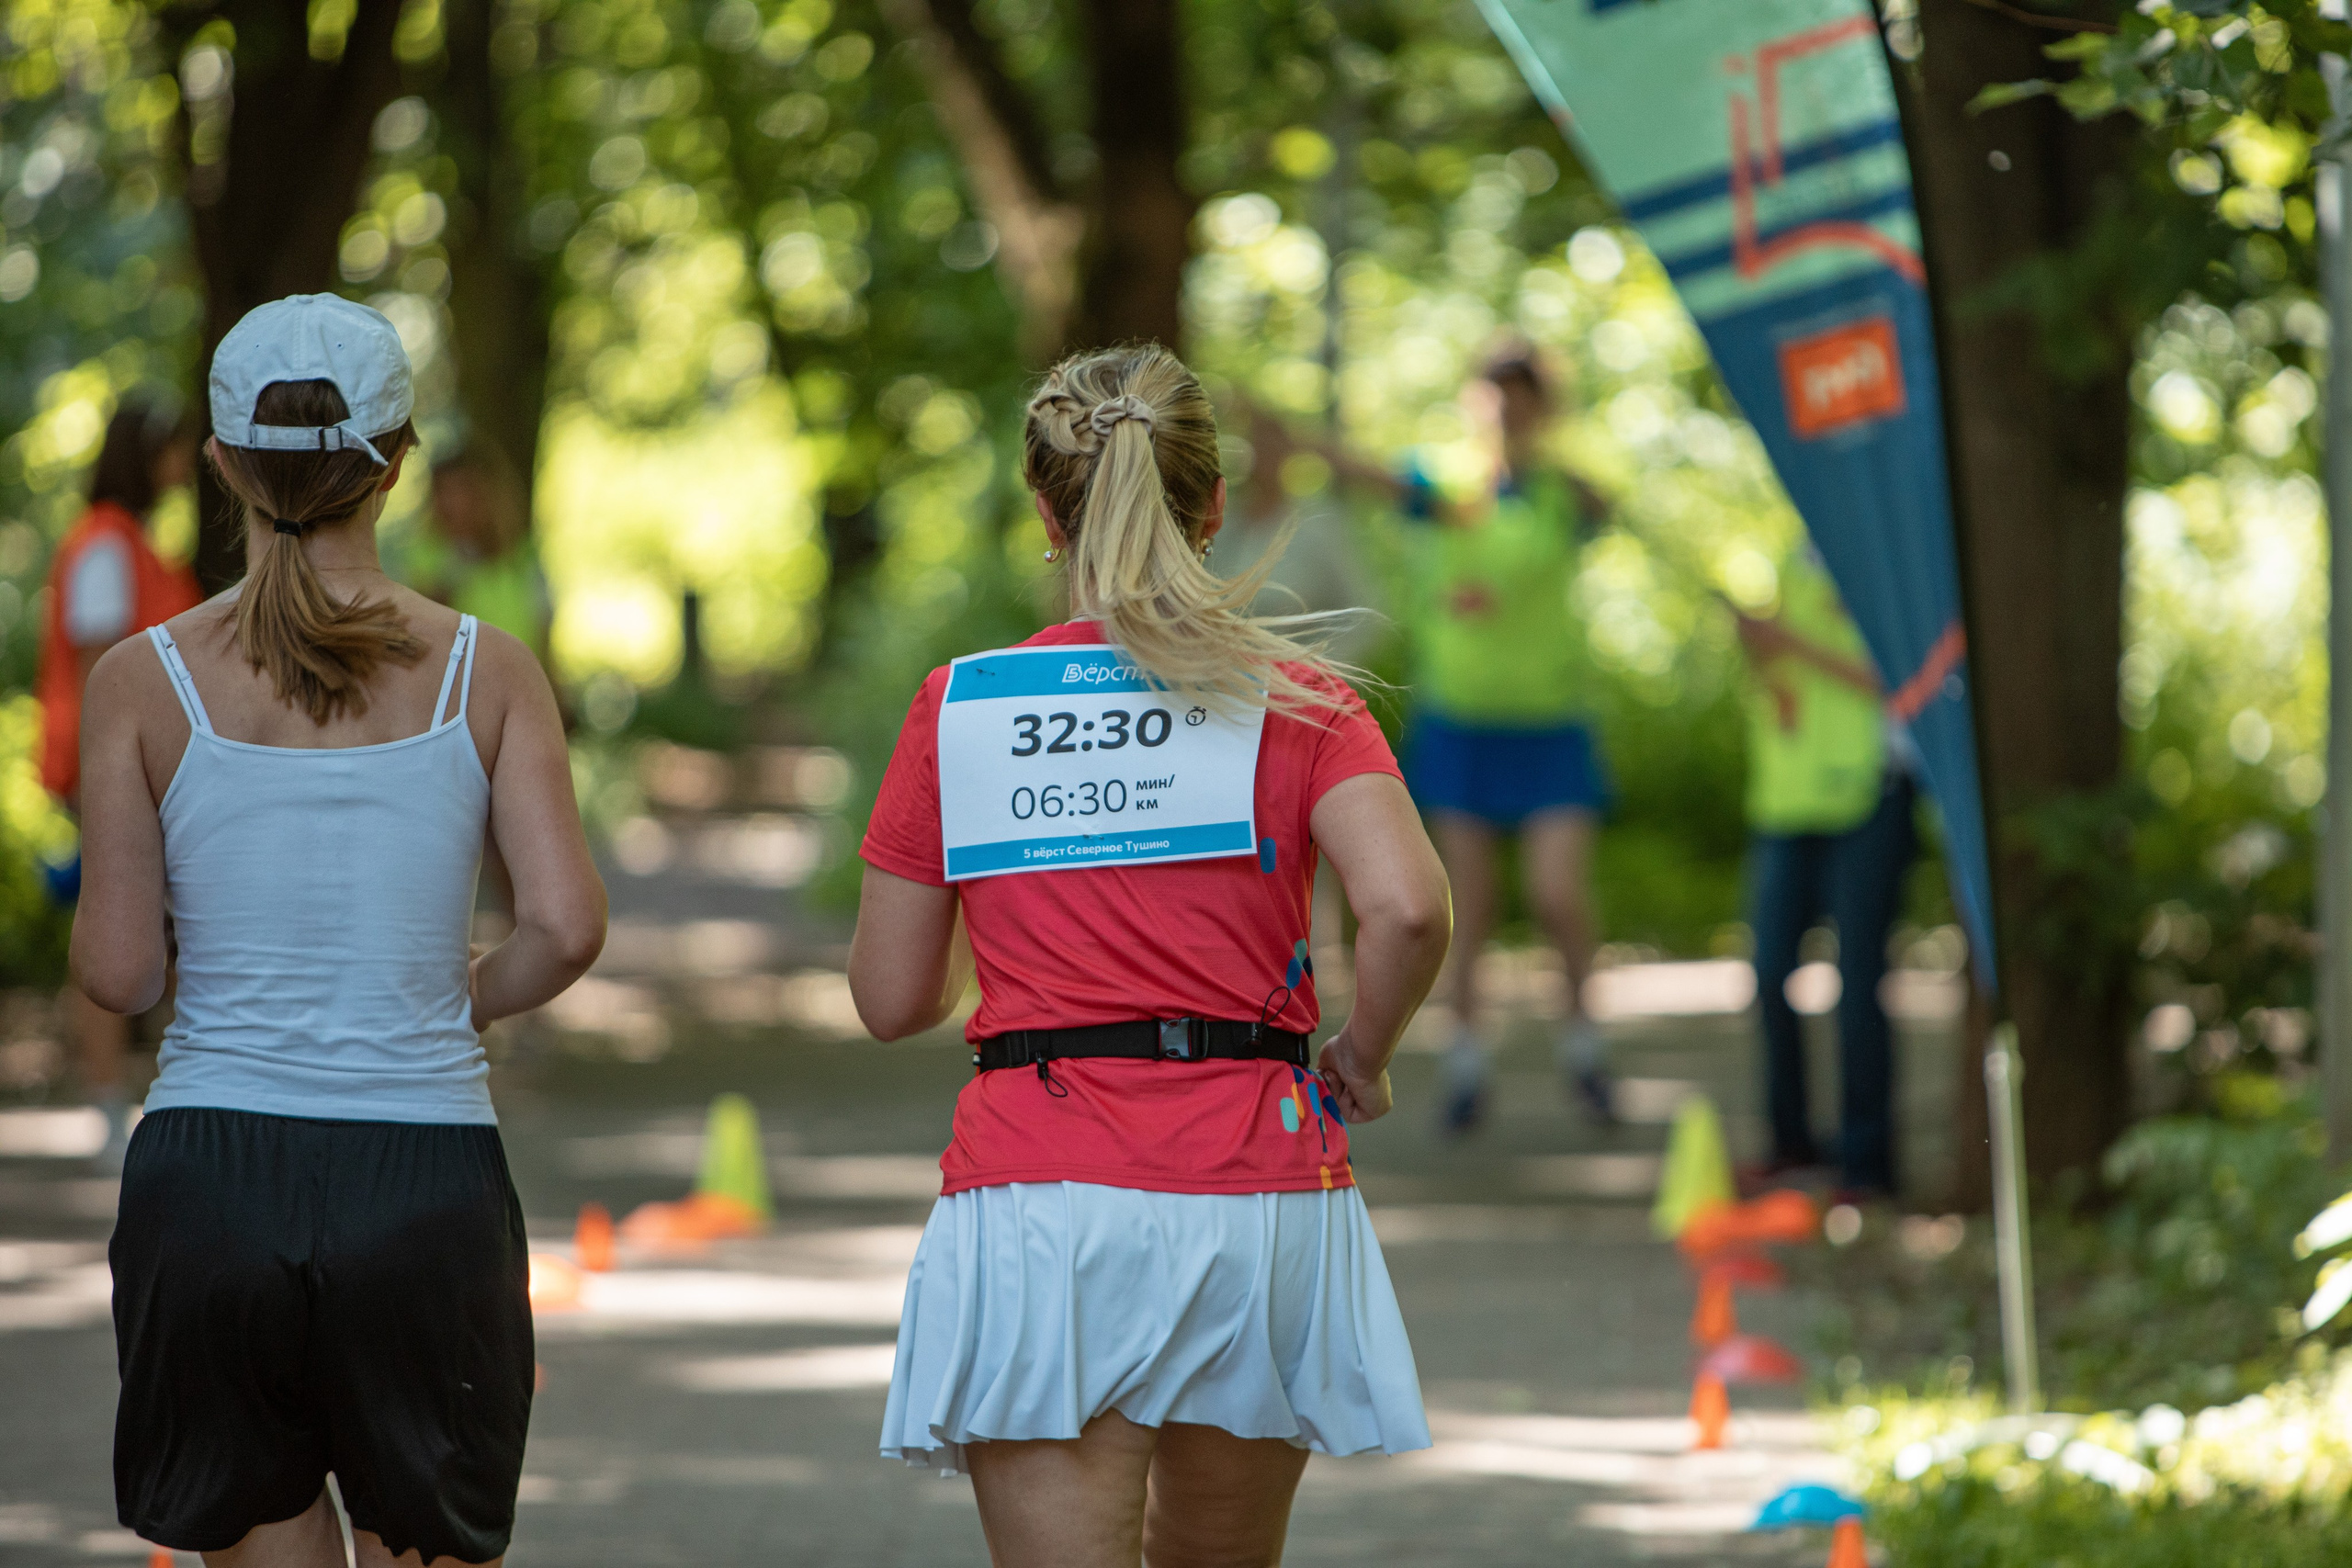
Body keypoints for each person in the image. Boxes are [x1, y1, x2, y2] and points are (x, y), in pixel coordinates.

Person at [852, 343, 1450, 1568]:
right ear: (1216, 502)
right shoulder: (1295, 697)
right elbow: (1408, 907)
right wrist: (1363, 1052)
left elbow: (890, 995)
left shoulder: (962, 704)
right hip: (1259, 1181)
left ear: (1043, 509)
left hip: (1039, 1194)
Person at [71, 294, 605, 1567]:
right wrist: (461, 991)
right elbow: (569, 927)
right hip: (424, 1181)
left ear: (217, 464)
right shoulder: (489, 668)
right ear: (401, 456)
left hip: (210, 1178)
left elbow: (120, 965)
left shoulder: (142, 678)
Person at [1312, 344, 1614, 1132]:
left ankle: (1584, 1048)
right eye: (1495, 397)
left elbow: (1605, 506)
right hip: (1462, 724)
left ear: (1542, 409)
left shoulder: (1559, 495)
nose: (1507, 412)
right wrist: (1291, 438)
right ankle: (1466, 1065)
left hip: (1551, 723)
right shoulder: (1437, 484)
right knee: (1465, 906)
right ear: (1473, 402)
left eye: (1523, 399)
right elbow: (1371, 477)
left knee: (1557, 895)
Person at [35, 397, 200, 1168]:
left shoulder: (137, 546)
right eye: (172, 449)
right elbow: (99, 664)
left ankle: (141, 1095)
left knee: (151, 923)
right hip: (112, 765)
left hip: (142, 763)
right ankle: (105, 1103)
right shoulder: (106, 544)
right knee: (111, 921)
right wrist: (115, 773)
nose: (184, 464)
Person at [1732, 545, 1915, 1201]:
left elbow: (1904, 673)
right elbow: (1785, 670)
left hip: (1872, 790)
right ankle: (1792, 1144)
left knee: (1859, 979)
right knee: (1769, 969)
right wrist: (1760, 643)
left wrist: (1791, 642)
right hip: (1791, 796)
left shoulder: (1885, 548)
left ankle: (1867, 1163)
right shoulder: (1793, 553)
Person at [412, 441, 549, 663]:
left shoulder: (523, 556)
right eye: (442, 490)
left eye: (462, 489)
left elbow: (543, 634)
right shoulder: (428, 555)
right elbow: (420, 629)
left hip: (518, 682)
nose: (450, 503)